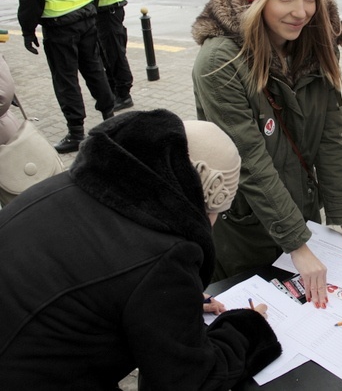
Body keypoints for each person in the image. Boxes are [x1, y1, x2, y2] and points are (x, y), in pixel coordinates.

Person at [0, 109, 282, 390]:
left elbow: (93, 277)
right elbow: (193, 381)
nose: (215, 223)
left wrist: (173, 302)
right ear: (210, 190)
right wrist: (248, 328)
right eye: (218, 212)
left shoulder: (82, 184)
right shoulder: (163, 255)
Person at [191, 0, 342, 307]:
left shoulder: (320, 46)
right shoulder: (220, 62)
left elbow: (330, 141)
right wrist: (298, 246)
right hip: (246, 227)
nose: (301, 12)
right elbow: (250, 161)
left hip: (303, 214)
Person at [17, 0, 115, 154]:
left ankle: (76, 133)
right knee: (94, 69)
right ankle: (110, 118)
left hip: (59, 21)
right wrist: (89, 8)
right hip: (85, 12)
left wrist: (27, 30)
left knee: (65, 77)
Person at [95, 0, 134, 112]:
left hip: (109, 9)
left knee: (115, 53)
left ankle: (124, 95)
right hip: (99, 10)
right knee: (105, 54)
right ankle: (113, 88)